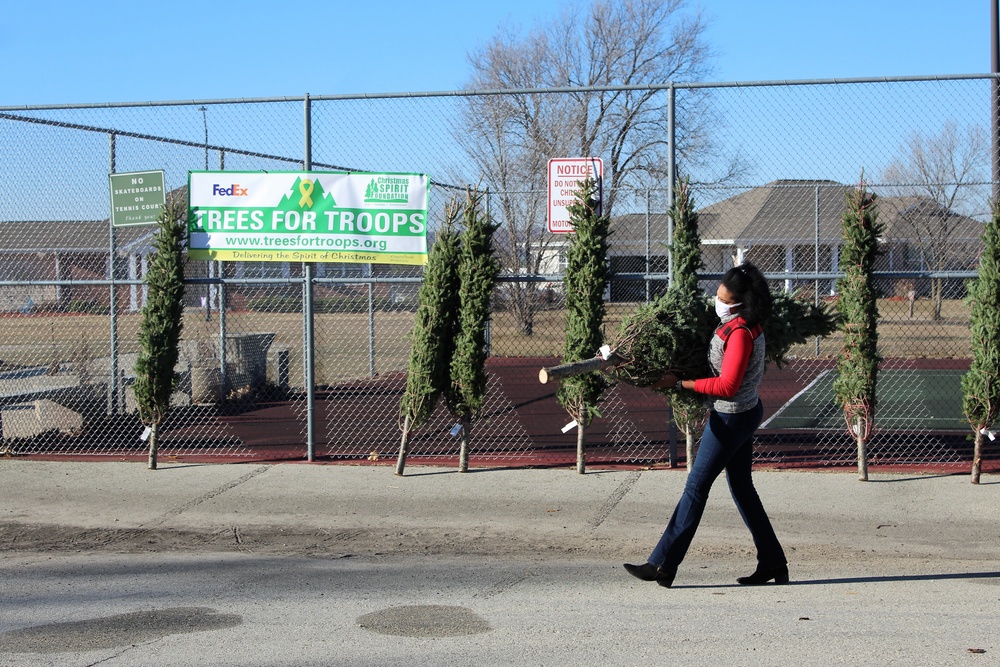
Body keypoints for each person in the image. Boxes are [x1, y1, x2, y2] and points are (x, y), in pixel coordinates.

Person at [624, 262, 788, 588]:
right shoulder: (745, 323)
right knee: (742, 488)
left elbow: (727, 385)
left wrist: (680, 383)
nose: (718, 302)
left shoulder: (741, 333)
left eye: (724, 299)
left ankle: (662, 564)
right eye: (719, 295)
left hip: (731, 417)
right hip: (742, 412)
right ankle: (772, 561)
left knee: (696, 488)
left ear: (740, 303)